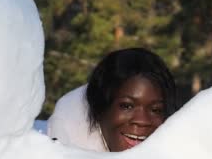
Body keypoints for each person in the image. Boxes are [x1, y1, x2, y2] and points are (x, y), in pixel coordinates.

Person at [47, 48, 177, 152]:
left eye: (155, 110)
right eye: (127, 106)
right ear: (99, 107)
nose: (142, 121)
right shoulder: (65, 141)